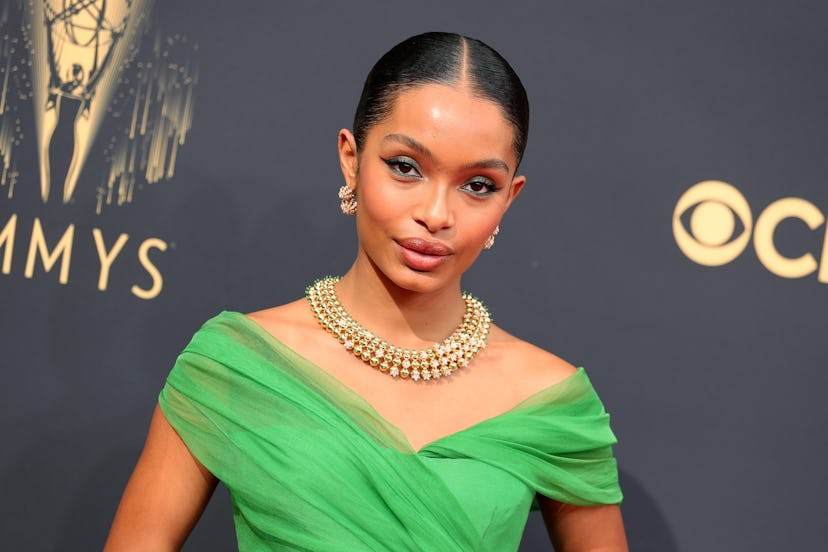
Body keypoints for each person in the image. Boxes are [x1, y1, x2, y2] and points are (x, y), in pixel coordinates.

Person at [105, 32, 627, 551]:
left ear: (509, 199)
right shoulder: (236, 365)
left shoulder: (550, 402)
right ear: (351, 160)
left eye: (478, 185)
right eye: (405, 168)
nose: (436, 214)